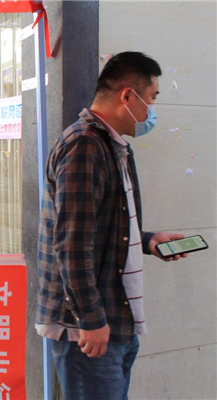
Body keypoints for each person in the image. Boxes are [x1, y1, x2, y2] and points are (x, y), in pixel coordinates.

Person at [35, 52, 189, 400]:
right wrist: (91, 320)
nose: (152, 110)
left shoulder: (110, 145)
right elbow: (71, 244)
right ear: (128, 96)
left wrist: (147, 241)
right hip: (89, 327)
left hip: (112, 317)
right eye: (151, 98)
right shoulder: (84, 147)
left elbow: (98, 227)